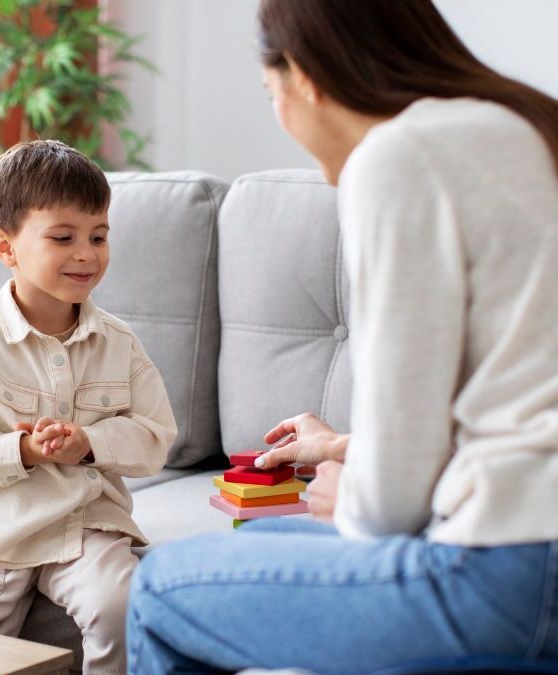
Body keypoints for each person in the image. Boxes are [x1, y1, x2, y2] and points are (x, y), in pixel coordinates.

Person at [126, 1, 558, 672]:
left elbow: (392, 496)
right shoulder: (527, 128)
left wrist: (349, 500)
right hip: (529, 547)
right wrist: (343, 448)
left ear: (302, 76)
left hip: (513, 568)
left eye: (271, 94)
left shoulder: (399, 157)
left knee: (160, 586)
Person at [0, 139, 177, 674]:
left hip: (85, 520)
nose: (87, 253)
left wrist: (88, 444)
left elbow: (154, 436)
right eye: (63, 237)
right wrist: (22, 451)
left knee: (123, 606)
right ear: (6, 246)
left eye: (98, 236)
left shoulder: (120, 345)